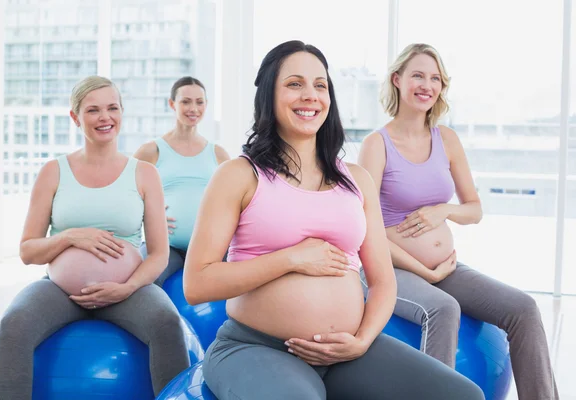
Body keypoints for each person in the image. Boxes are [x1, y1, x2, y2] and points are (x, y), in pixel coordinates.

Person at [183, 40, 484, 400]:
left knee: (462, 396)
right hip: (257, 348)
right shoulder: (239, 175)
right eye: (295, 84)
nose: (310, 95)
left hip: (348, 353)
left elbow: (383, 282)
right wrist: (290, 258)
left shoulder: (356, 179)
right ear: (268, 96)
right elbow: (197, 283)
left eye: (320, 85)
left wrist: (362, 340)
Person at [358, 43, 558, 400]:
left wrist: (444, 211)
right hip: (391, 268)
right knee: (443, 308)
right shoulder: (377, 144)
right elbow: (365, 230)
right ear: (397, 80)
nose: (427, 85)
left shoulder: (446, 139)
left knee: (524, 309)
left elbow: (474, 209)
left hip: (446, 269)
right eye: (418, 75)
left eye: (435, 78)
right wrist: (426, 271)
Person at [0, 76, 190, 399]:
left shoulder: (144, 174)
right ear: (75, 117)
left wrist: (126, 287)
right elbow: (28, 250)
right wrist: (70, 237)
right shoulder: (53, 172)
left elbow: (158, 255)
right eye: (93, 110)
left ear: (122, 113)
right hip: (60, 291)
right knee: (13, 325)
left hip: (128, 290)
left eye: (112, 108)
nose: (104, 118)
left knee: (167, 322)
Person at [134, 76, 229, 286]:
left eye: (199, 102)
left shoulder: (219, 154)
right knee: (139, 280)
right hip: (166, 247)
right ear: (172, 104)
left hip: (211, 248)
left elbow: (235, 202)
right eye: (186, 101)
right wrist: (146, 218)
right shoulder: (151, 151)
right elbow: (125, 196)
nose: (193, 108)